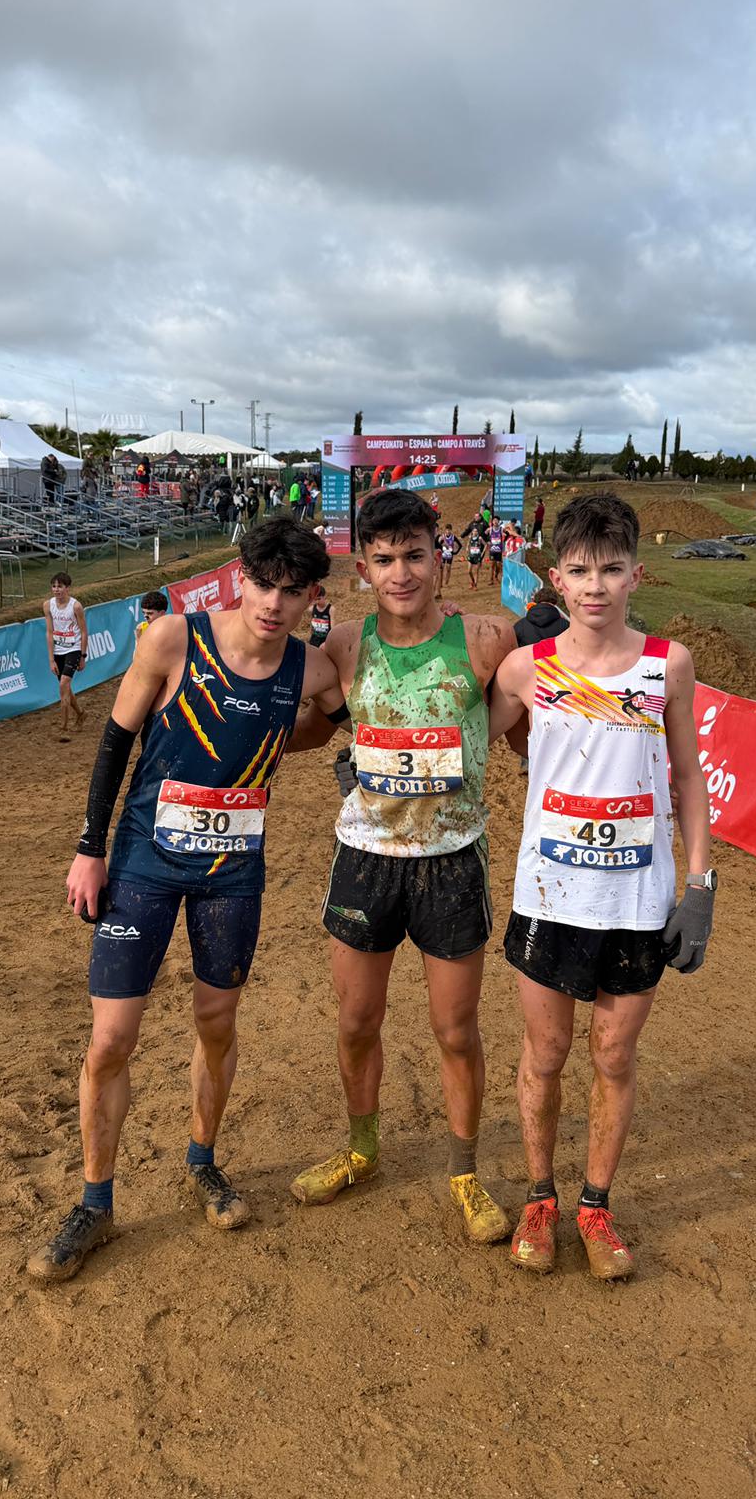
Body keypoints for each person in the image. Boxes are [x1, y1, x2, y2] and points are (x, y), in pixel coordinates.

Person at [28, 520, 349, 1283]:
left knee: (216, 1022)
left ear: (311, 596)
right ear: (241, 576)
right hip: (145, 861)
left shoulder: (309, 667)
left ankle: (202, 1160)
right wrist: (89, 848)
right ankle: (95, 1203)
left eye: (291, 592)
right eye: (262, 584)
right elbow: (115, 743)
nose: (272, 605)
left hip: (233, 873)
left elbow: (342, 726)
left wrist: (301, 749)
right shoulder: (173, 639)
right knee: (112, 1039)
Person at [488, 493, 714, 1280]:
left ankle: (594, 1206)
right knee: (547, 1052)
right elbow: (465, 738)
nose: (595, 586)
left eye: (611, 570)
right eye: (580, 571)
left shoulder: (668, 664)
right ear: (555, 577)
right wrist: (374, 752)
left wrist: (700, 885)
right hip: (549, 895)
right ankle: (539, 1199)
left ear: (636, 576)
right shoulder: (527, 668)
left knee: (614, 1054)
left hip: (638, 900)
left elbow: (688, 776)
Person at [286, 489, 520, 1246]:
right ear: (363, 568)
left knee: (455, 1030)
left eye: (414, 555)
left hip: (452, 861)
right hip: (366, 859)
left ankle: (464, 1171)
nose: (401, 573)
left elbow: (530, 728)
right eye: (384, 559)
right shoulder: (343, 648)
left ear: (438, 557)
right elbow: (308, 731)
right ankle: (362, 1149)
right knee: (357, 1022)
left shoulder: (486, 640)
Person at [44, 573, 88, 740]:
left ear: (67, 588)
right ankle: (81, 714)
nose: (57, 590)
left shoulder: (76, 606)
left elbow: (83, 631)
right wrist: (51, 659)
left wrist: (83, 656)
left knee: (63, 684)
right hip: (58, 650)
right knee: (66, 688)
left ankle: (63, 727)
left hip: (73, 649)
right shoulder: (48, 605)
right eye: (54, 586)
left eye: (60, 586)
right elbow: (49, 632)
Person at [437, 524, 462, 588]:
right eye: (447, 530)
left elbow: (460, 545)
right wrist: (440, 542)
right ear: (445, 530)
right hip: (443, 554)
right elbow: (438, 545)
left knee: (448, 568)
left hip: (450, 555)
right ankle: (440, 583)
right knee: (441, 568)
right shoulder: (442, 537)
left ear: (451, 530)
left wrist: (455, 552)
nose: (448, 531)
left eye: (449, 530)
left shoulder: (453, 537)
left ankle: (446, 583)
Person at [487, 515, 505, 586]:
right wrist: (487, 541)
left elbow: (507, 534)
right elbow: (484, 534)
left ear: (498, 521)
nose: (495, 522)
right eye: (494, 520)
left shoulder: (501, 529)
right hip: (492, 550)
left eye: (496, 520)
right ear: (492, 522)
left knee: (498, 565)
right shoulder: (490, 529)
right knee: (492, 565)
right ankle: (491, 579)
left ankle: (496, 576)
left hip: (499, 551)